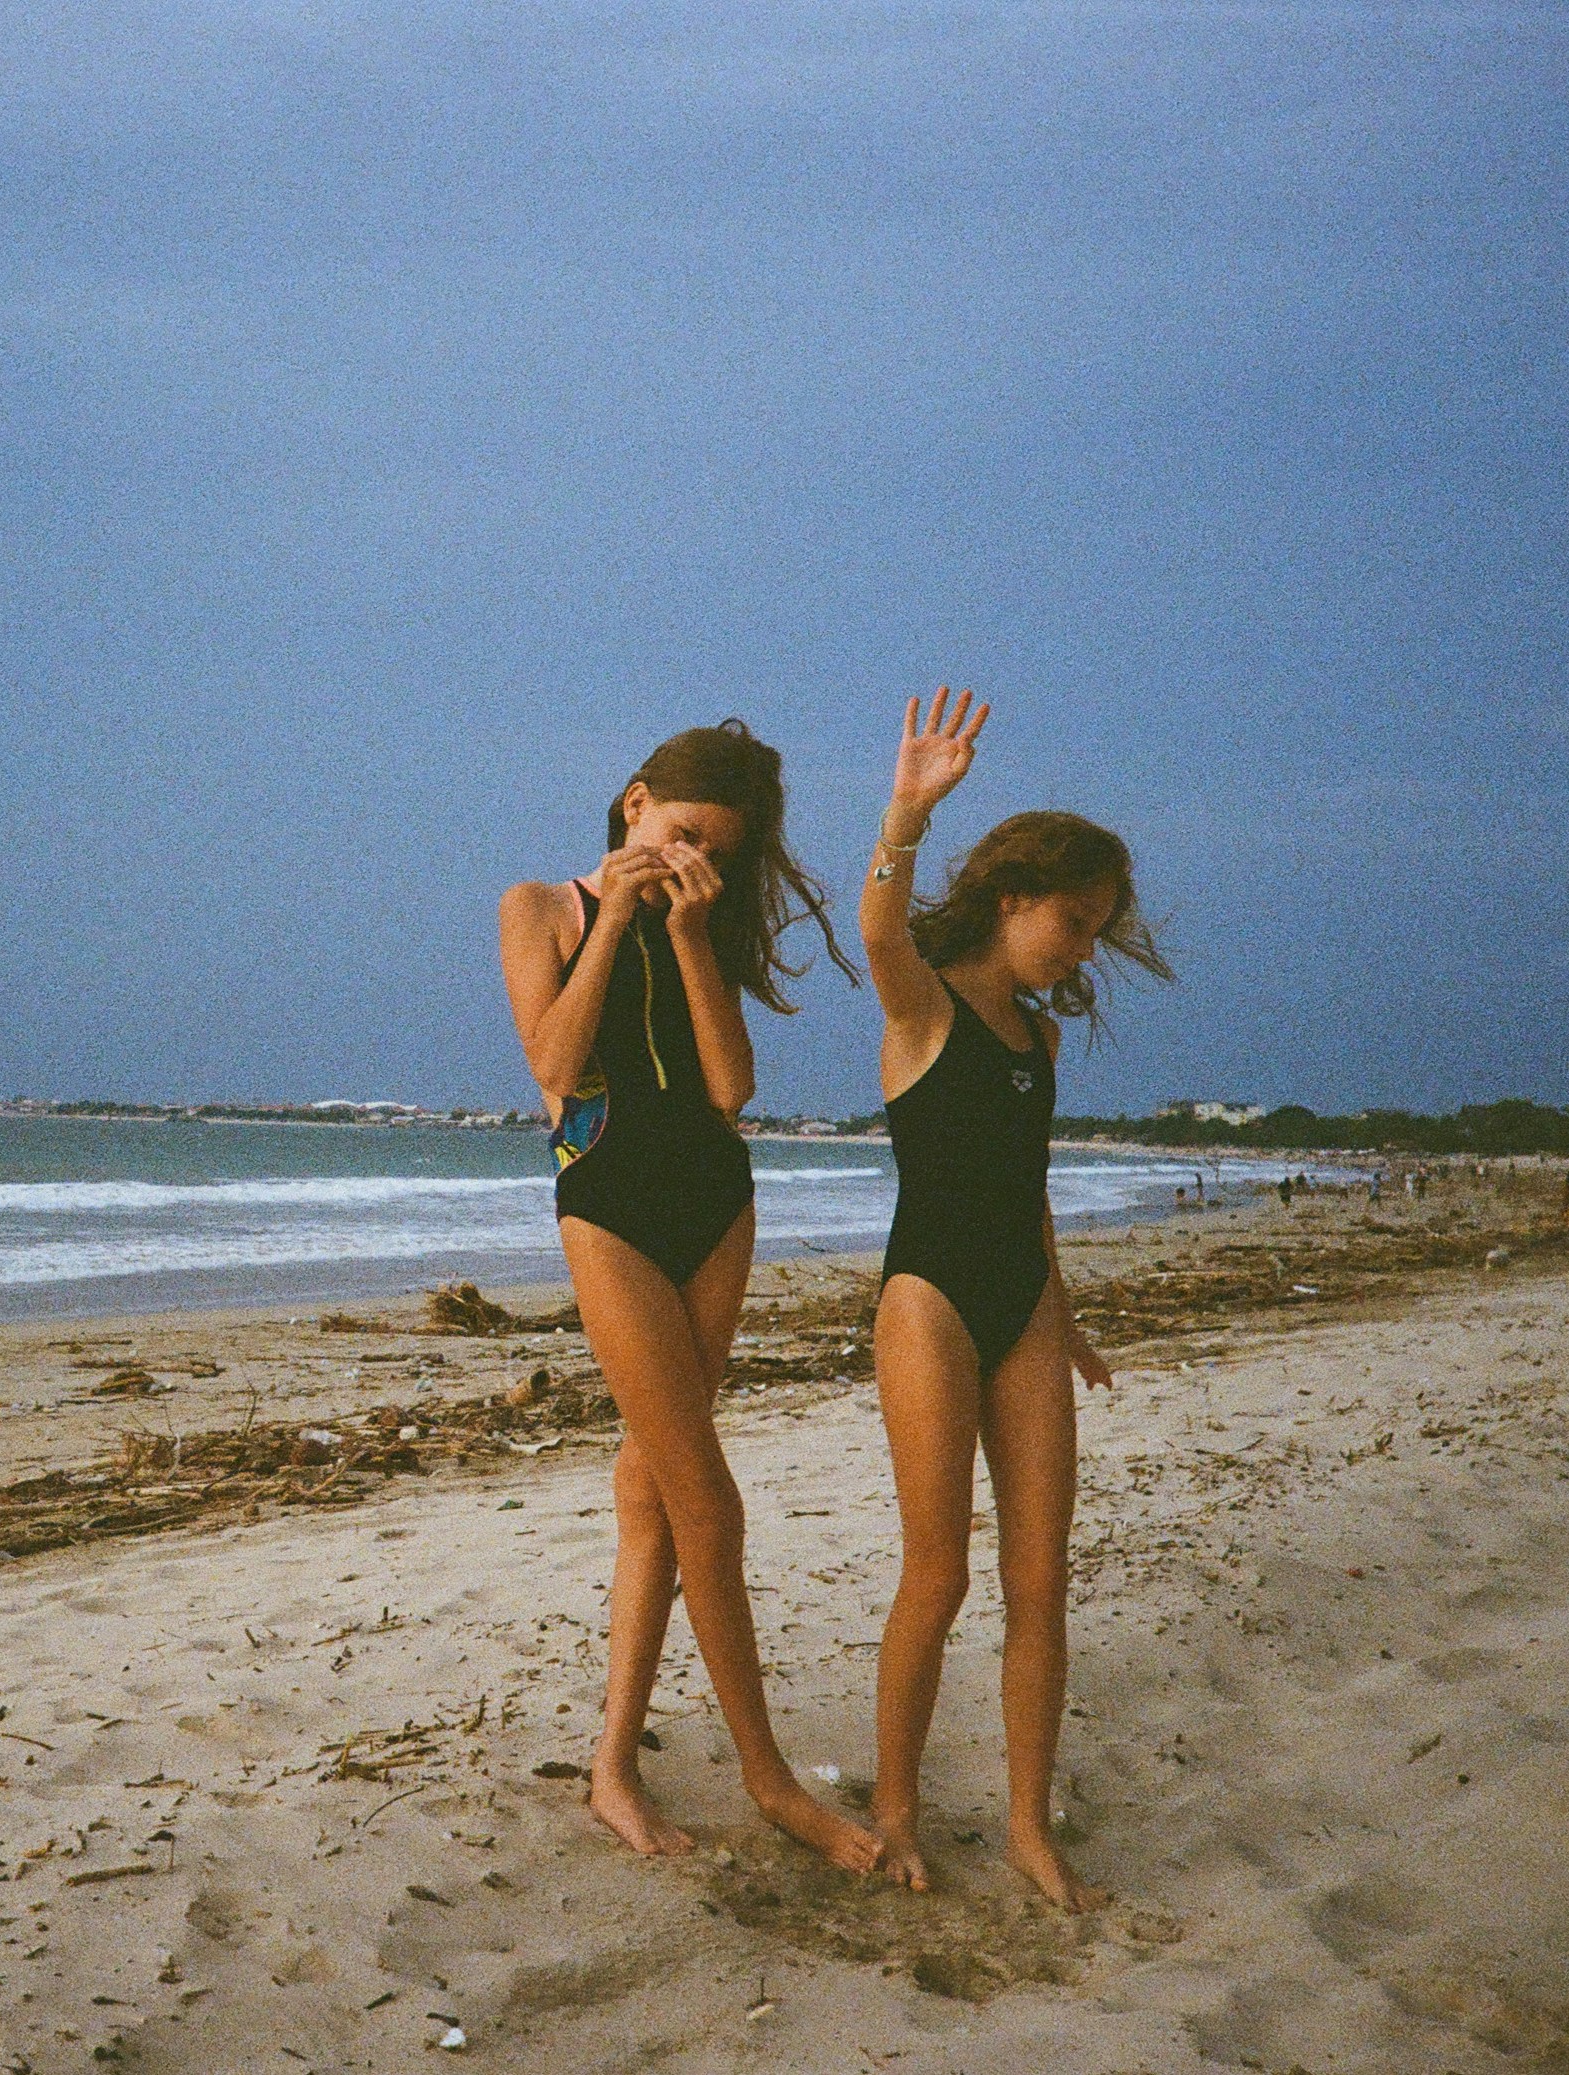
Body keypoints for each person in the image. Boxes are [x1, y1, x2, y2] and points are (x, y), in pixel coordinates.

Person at [499, 720, 877, 1871]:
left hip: (715, 1200)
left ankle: (613, 1763)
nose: (683, 859)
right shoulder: (540, 905)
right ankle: (769, 1779)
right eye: (677, 835)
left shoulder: (700, 919)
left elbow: (729, 1085)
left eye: (712, 849)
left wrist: (695, 932)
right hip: (606, 1202)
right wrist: (614, 915)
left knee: (654, 1487)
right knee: (707, 1500)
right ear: (631, 804)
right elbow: (556, 1070)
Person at [854, 689, 1169, 1910]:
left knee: (1044, 1581)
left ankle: (1030, 1828)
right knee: (937, 1573)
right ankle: (894, 1807)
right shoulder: (922, 1003)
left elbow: (1026, 1187)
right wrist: (910, 808)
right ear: (1009, 895)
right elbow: (881, 926)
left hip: (1024, 1305)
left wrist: (1067, 1315)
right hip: (926, 1300)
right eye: (1072, 922)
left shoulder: (1033, 1040)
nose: (1081, 948)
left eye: (1095, 930)